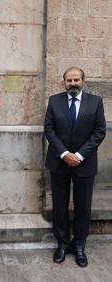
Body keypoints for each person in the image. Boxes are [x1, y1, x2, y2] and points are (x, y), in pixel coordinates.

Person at [44, 67, 106, 267]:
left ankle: (79, 245)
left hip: (84, 163)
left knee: (83, 206)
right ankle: (62, 244)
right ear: (64, 81)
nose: (72, 83)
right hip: (59, 161)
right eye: (69, 80)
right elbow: (49, 129)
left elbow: (99, 131)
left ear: (83, 81)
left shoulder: (95, 102)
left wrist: (79, 155)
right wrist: (64, 154)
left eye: (76, 79)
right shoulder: (54, 101)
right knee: (60, 206)